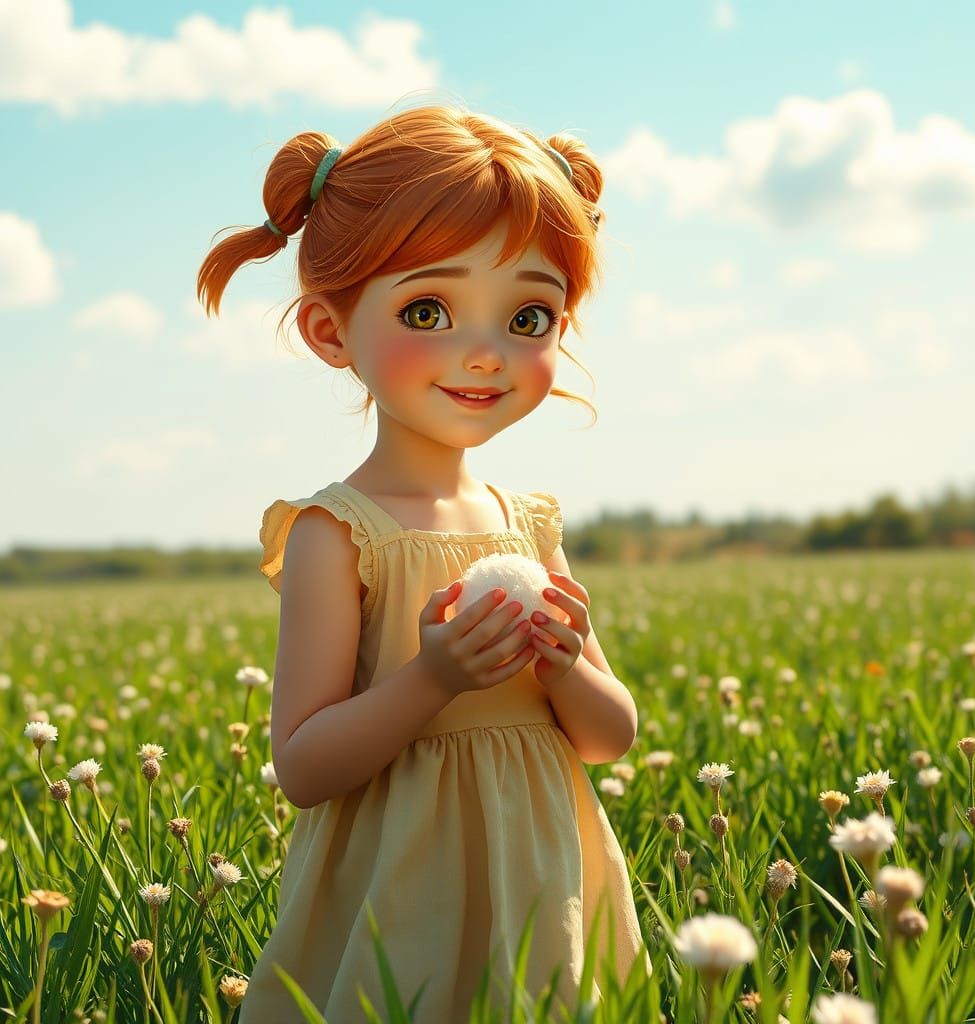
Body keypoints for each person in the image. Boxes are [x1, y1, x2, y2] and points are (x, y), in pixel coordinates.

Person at [196, 103, 651, 1023]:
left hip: (540, 875)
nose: (485, 354)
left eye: (528, 316)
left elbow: (609, 738)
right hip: (399, 887)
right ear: (331, 333)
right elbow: (303, 766)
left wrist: (568, 666)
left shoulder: (528, 524)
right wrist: (432, 679)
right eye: (428, 311)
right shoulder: (337, 533)